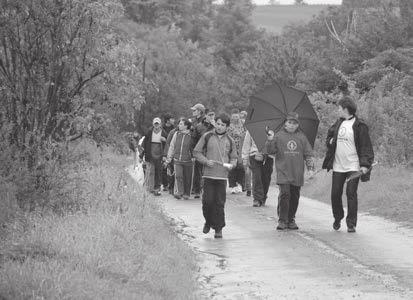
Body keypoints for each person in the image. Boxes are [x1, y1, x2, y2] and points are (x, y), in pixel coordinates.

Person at [322, 97, 374, 233]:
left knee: (351, 193)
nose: (338, 110)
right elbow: (328, 139)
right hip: (338, 165)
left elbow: (366, 147)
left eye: (339, 107)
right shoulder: (338, 123)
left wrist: (364, 165)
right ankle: (338, 217)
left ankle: (351, 223)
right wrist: (330, 141)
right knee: (335, 194)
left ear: (345, 109)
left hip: (353, 166)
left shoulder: (359, 125)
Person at [264, 112, 315, 230]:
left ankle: (291, 219)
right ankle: (282, 220)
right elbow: (270, 151)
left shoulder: (302, 137)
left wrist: (311, 168)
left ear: (298, 125)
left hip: (297, 172)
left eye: (294, 123)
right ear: (285, 123)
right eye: (289, 122)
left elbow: (308, 154)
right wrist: (270, 140)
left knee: (295, 196)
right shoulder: (278, 136)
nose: (292, 125)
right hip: (283, 171)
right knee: (285, 194)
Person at [193, 113, 237, 238]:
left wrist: (232, 165)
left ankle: (218, 228)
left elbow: (234, 157)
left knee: (219, 203)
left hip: (222, 176)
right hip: (208, 175)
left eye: (222, 125)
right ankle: (208, 221)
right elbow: (196, 152)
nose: (219, 127)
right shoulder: (207, 136)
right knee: (207, 202)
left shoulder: (230, 140)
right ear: (214, 124)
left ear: (227, 127)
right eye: (217, 124)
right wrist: (206, 161)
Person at [242, 130, 273, 207]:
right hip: (254, 155)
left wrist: (270, 139)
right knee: (257, 177)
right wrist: (245, 159)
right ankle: (257, 198)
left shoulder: (273, 129)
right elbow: (246, 144)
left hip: (268, 156)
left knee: (266, 178)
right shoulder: (252, 129)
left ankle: (263, 197)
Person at [166, 118, 194, 200]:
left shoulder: (191, 135)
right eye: (179, 124)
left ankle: (186, 194)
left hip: (188, 160)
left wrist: (193, 156)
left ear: (186, 126)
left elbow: (194, 147)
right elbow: (171, 146)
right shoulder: (176, 134)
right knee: (178, 176)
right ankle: (179, 192)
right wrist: (169, 158)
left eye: (181, 124)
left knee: (187, 177)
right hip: (177, 159)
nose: (179, 125)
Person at [139, 117, 168, 196]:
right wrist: (141, 156)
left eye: (157, 123)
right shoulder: (149, 132)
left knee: (158, 172)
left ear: (160, 124)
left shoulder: (164, 133)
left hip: (159, 155)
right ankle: (150, 188)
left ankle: (157, 189)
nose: (156, 125)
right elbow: (144, 144)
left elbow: (167, 144)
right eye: (155, 123)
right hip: (150, 154)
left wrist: (164, 140)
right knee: (150, 172)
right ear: (153, 124)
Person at [227, 108, 246, 194]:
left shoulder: (243, 124)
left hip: (242, 148)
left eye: (237, 116)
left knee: (241, 167)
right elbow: (228, 136)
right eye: (234, 116)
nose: (236, 118)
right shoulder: (229, 126)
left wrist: (241, 135)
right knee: (232, 167)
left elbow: (246, 133)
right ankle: (232, 185)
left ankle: (240, 184)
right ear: (231, 117)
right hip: (232, 149)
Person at [190, 103, 207, 198]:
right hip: (196, 149)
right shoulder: (194, 121)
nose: (193, 112)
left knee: (204, 171)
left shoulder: (204, 122)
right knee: (197, 171)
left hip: (204, 150)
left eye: (194, 110)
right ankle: (196, 190)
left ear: (200, 111)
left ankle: (202, 189)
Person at [161, 114, 175, 191]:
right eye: (172, 119)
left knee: (172, 167)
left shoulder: (175, 129)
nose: (174, 120)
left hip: (172, 150)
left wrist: (165, 139)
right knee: (164, 167)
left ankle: (171, 185)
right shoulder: (161, 128)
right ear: (167, 120)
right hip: (163, 150)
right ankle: (165, 184)